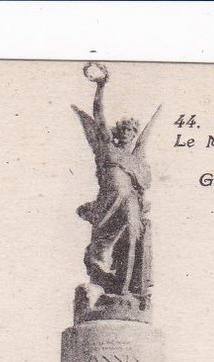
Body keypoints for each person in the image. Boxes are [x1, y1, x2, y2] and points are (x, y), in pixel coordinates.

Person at [72, 64, 160, 298]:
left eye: (134, 133)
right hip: (108, 202)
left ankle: (125, 289)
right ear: (118, 133)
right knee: (102, 245)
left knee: (132, 236)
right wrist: (101, 87)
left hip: (128, 201)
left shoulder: (135, 161)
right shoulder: (106, 148)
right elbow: (99, 115)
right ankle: (103, 279)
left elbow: (141, 186)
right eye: (127, 132)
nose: (130, 136)